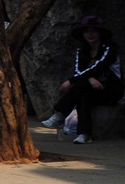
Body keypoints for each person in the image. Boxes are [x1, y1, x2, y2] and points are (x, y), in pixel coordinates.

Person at [42, 15, 122, 144]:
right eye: (87, 31)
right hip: (89, 88)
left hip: (109, 89)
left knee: (79, 85)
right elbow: (78, 70)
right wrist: (89, 78)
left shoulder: (109, 49)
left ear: (100, 33)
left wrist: (70, 81)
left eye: (93, 31)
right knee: (82, 94)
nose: (90, 34)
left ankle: (61, 113)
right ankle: (84, 134)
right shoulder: (81, 50)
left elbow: (99, 66)